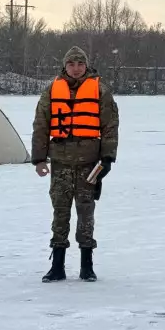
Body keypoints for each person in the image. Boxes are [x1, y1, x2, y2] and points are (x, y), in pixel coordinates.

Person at [32, 46, 119, 283]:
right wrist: (39, 159)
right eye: (71, 64)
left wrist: (107, 158)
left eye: (80, 64)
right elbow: (41, 125)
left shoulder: (100, 90)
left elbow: (110, 126)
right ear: (65, 66)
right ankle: (57, 265)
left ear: (86, 66)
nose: (76, 68)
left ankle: (86, 265)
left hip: (89, 163)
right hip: (60, 161)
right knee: (60, 212)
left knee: (85, 213)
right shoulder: (51, 90)